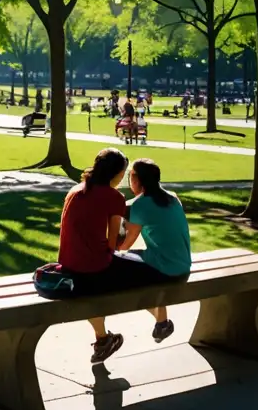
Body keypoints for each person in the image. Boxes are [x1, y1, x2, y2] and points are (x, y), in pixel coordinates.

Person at [54, 148, 179, 364]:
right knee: (144, 273)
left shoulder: (75, 190)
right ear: (119, 174)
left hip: (68, 263)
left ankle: (103, 339)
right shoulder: (114, 197)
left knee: (89, 290)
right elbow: (113, 245)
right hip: (95, 267)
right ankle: (162, 321)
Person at [122, 158, 192, 342]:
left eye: (130, 176)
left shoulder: (139, 205)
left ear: (137, 180)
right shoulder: (173, 197)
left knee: (121, 270)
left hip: (166, 269)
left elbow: (125, 245)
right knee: (139, 262)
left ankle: (161, 322)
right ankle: (162, 323)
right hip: (183, 265)